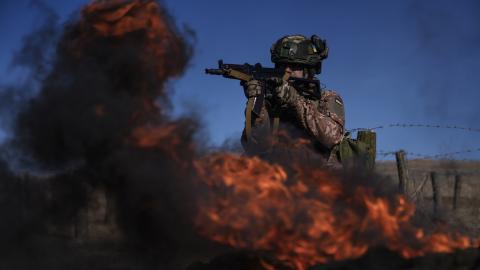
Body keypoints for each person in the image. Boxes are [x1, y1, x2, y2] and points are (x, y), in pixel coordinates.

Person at [240, 34, 345, 168]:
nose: (287, 70)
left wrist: (295, 100)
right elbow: (253, 146)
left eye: (294, 66)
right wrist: (257, 100)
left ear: (308, 69)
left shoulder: (327, 97)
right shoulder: (271, 101)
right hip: (280, 177)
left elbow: (332, 137)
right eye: (282, 65)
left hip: (317, 177)